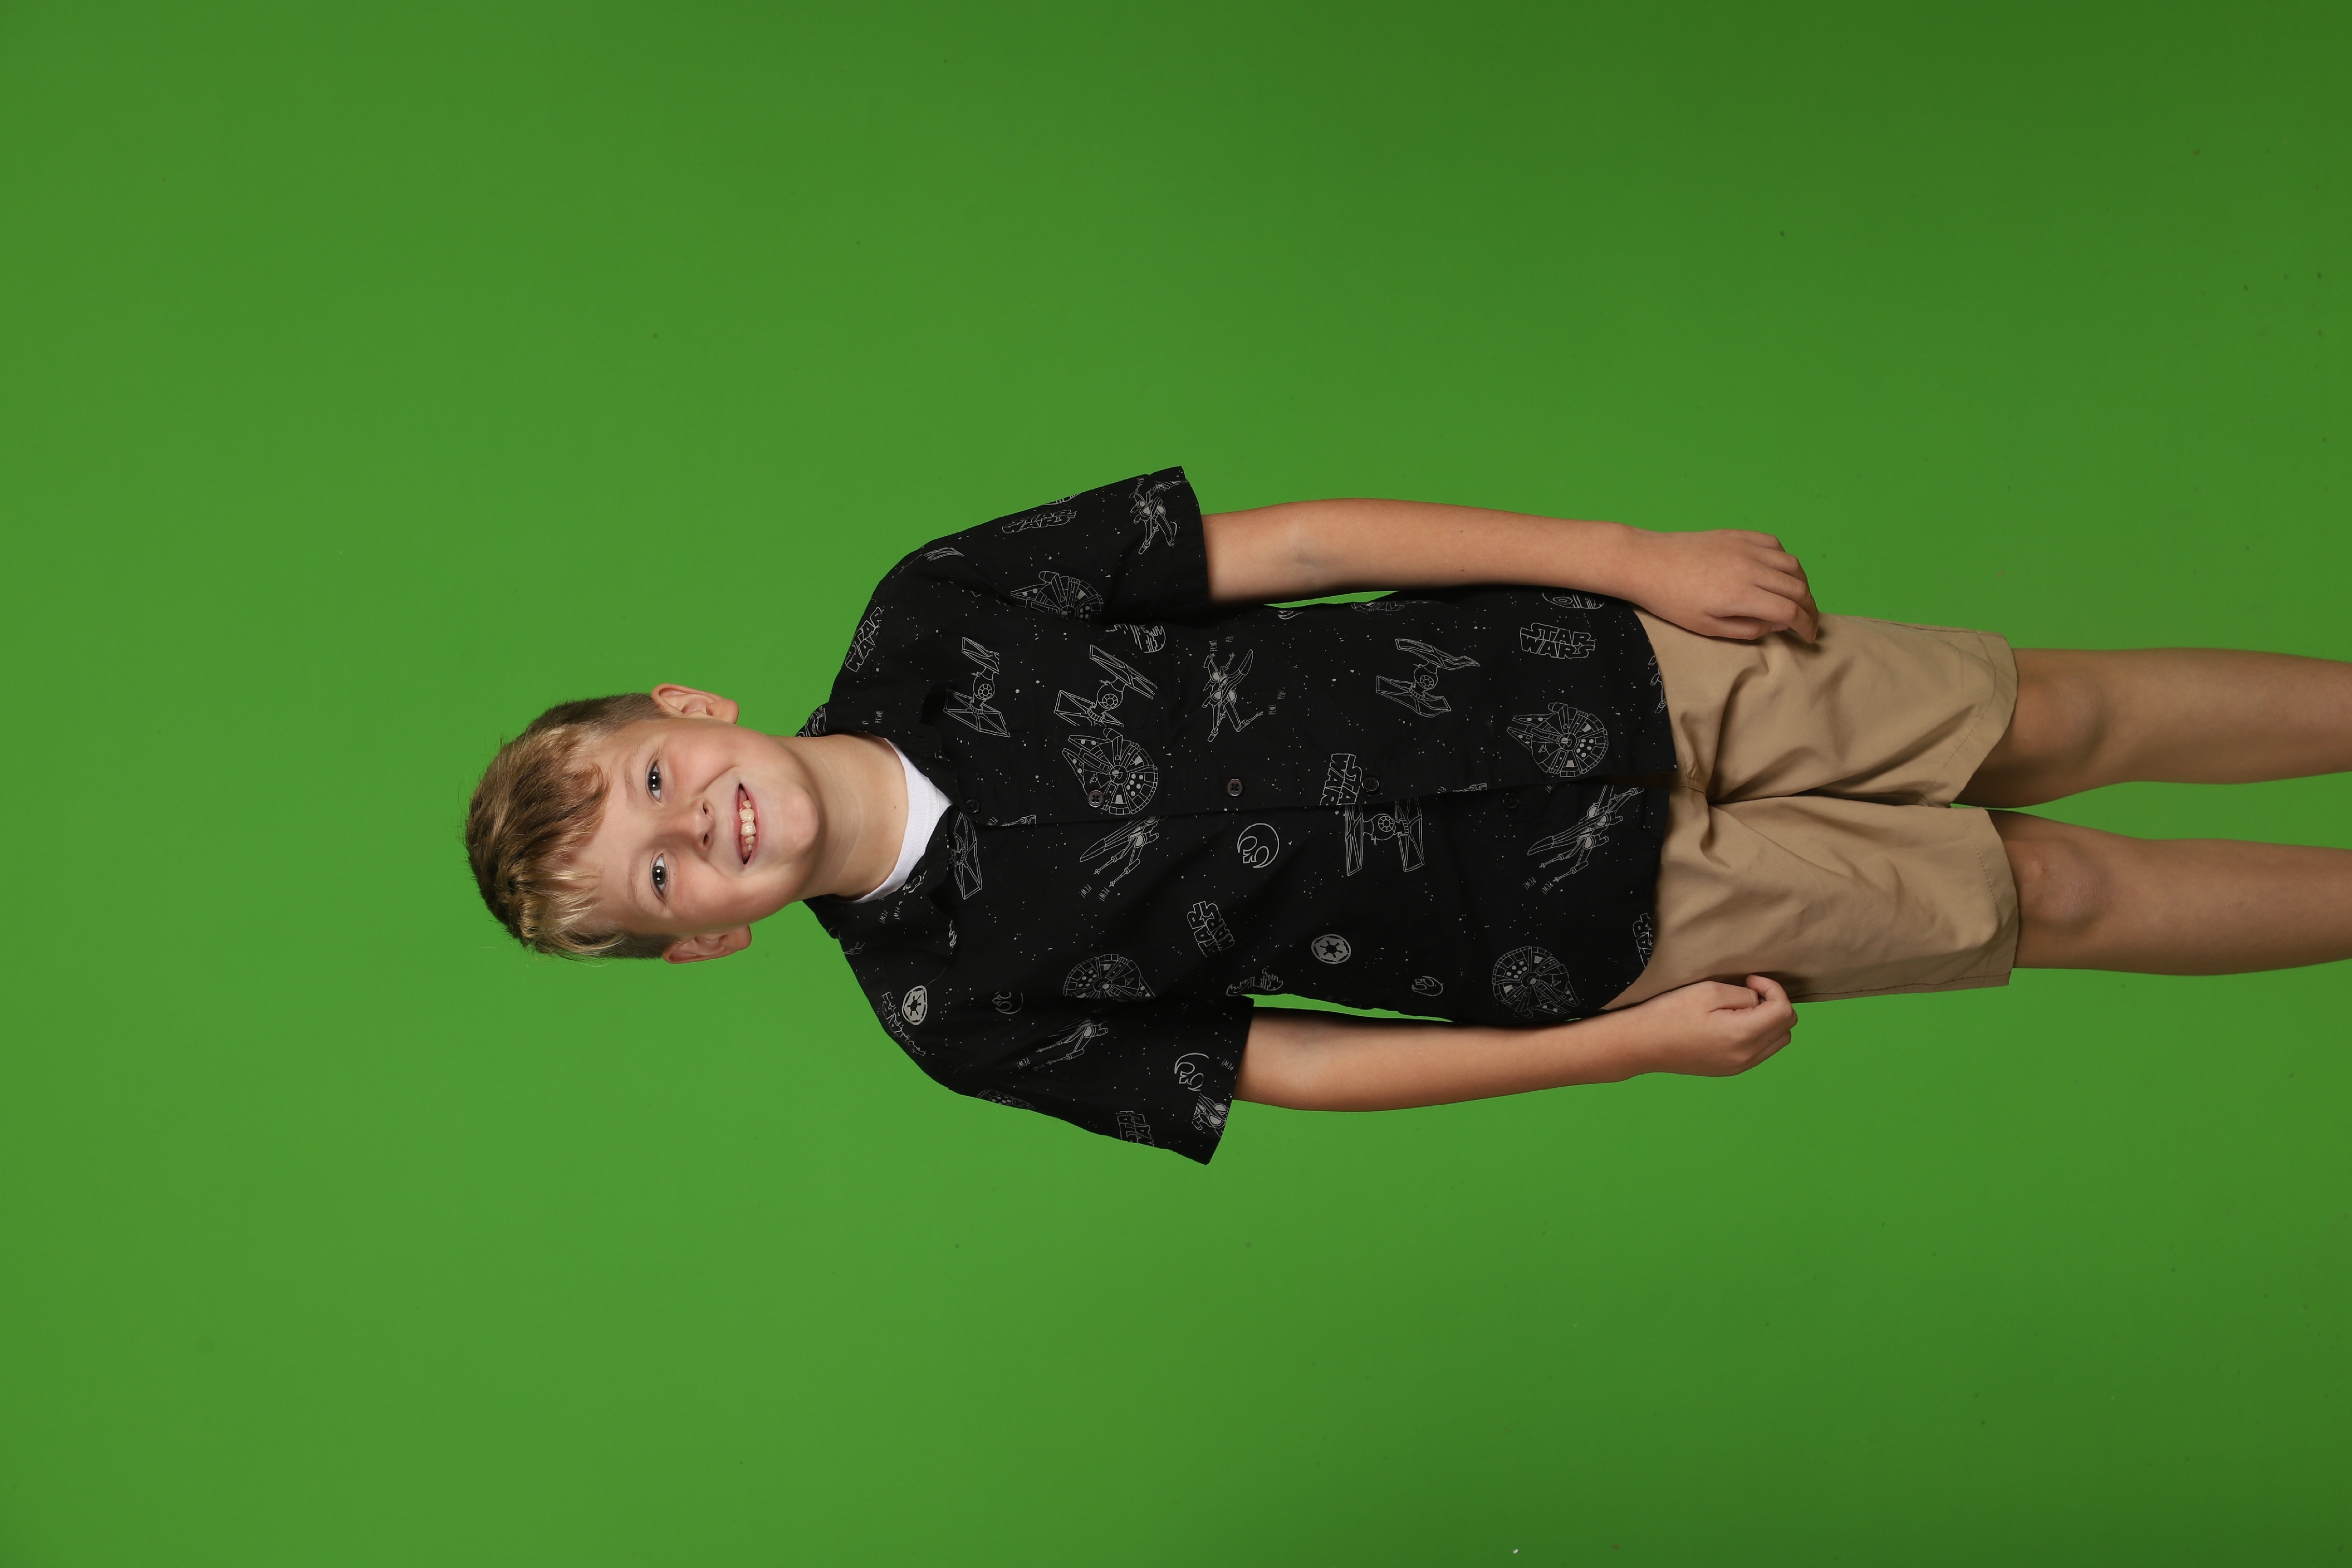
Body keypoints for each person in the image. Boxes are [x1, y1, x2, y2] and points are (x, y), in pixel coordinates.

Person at [463, 468, 2352, 1163]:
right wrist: (1621, 1050)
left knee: (2052, 714)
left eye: (657, 783)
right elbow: (1289, 1068)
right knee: (2048, 888)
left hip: (1600, 666)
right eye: (660, 875)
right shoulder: (953, 1014)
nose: (698, 828)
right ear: (706, 939)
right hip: (1592, 924)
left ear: (688, 711)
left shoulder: (936, 610)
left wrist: (1627, 555)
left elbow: (1293, 546)